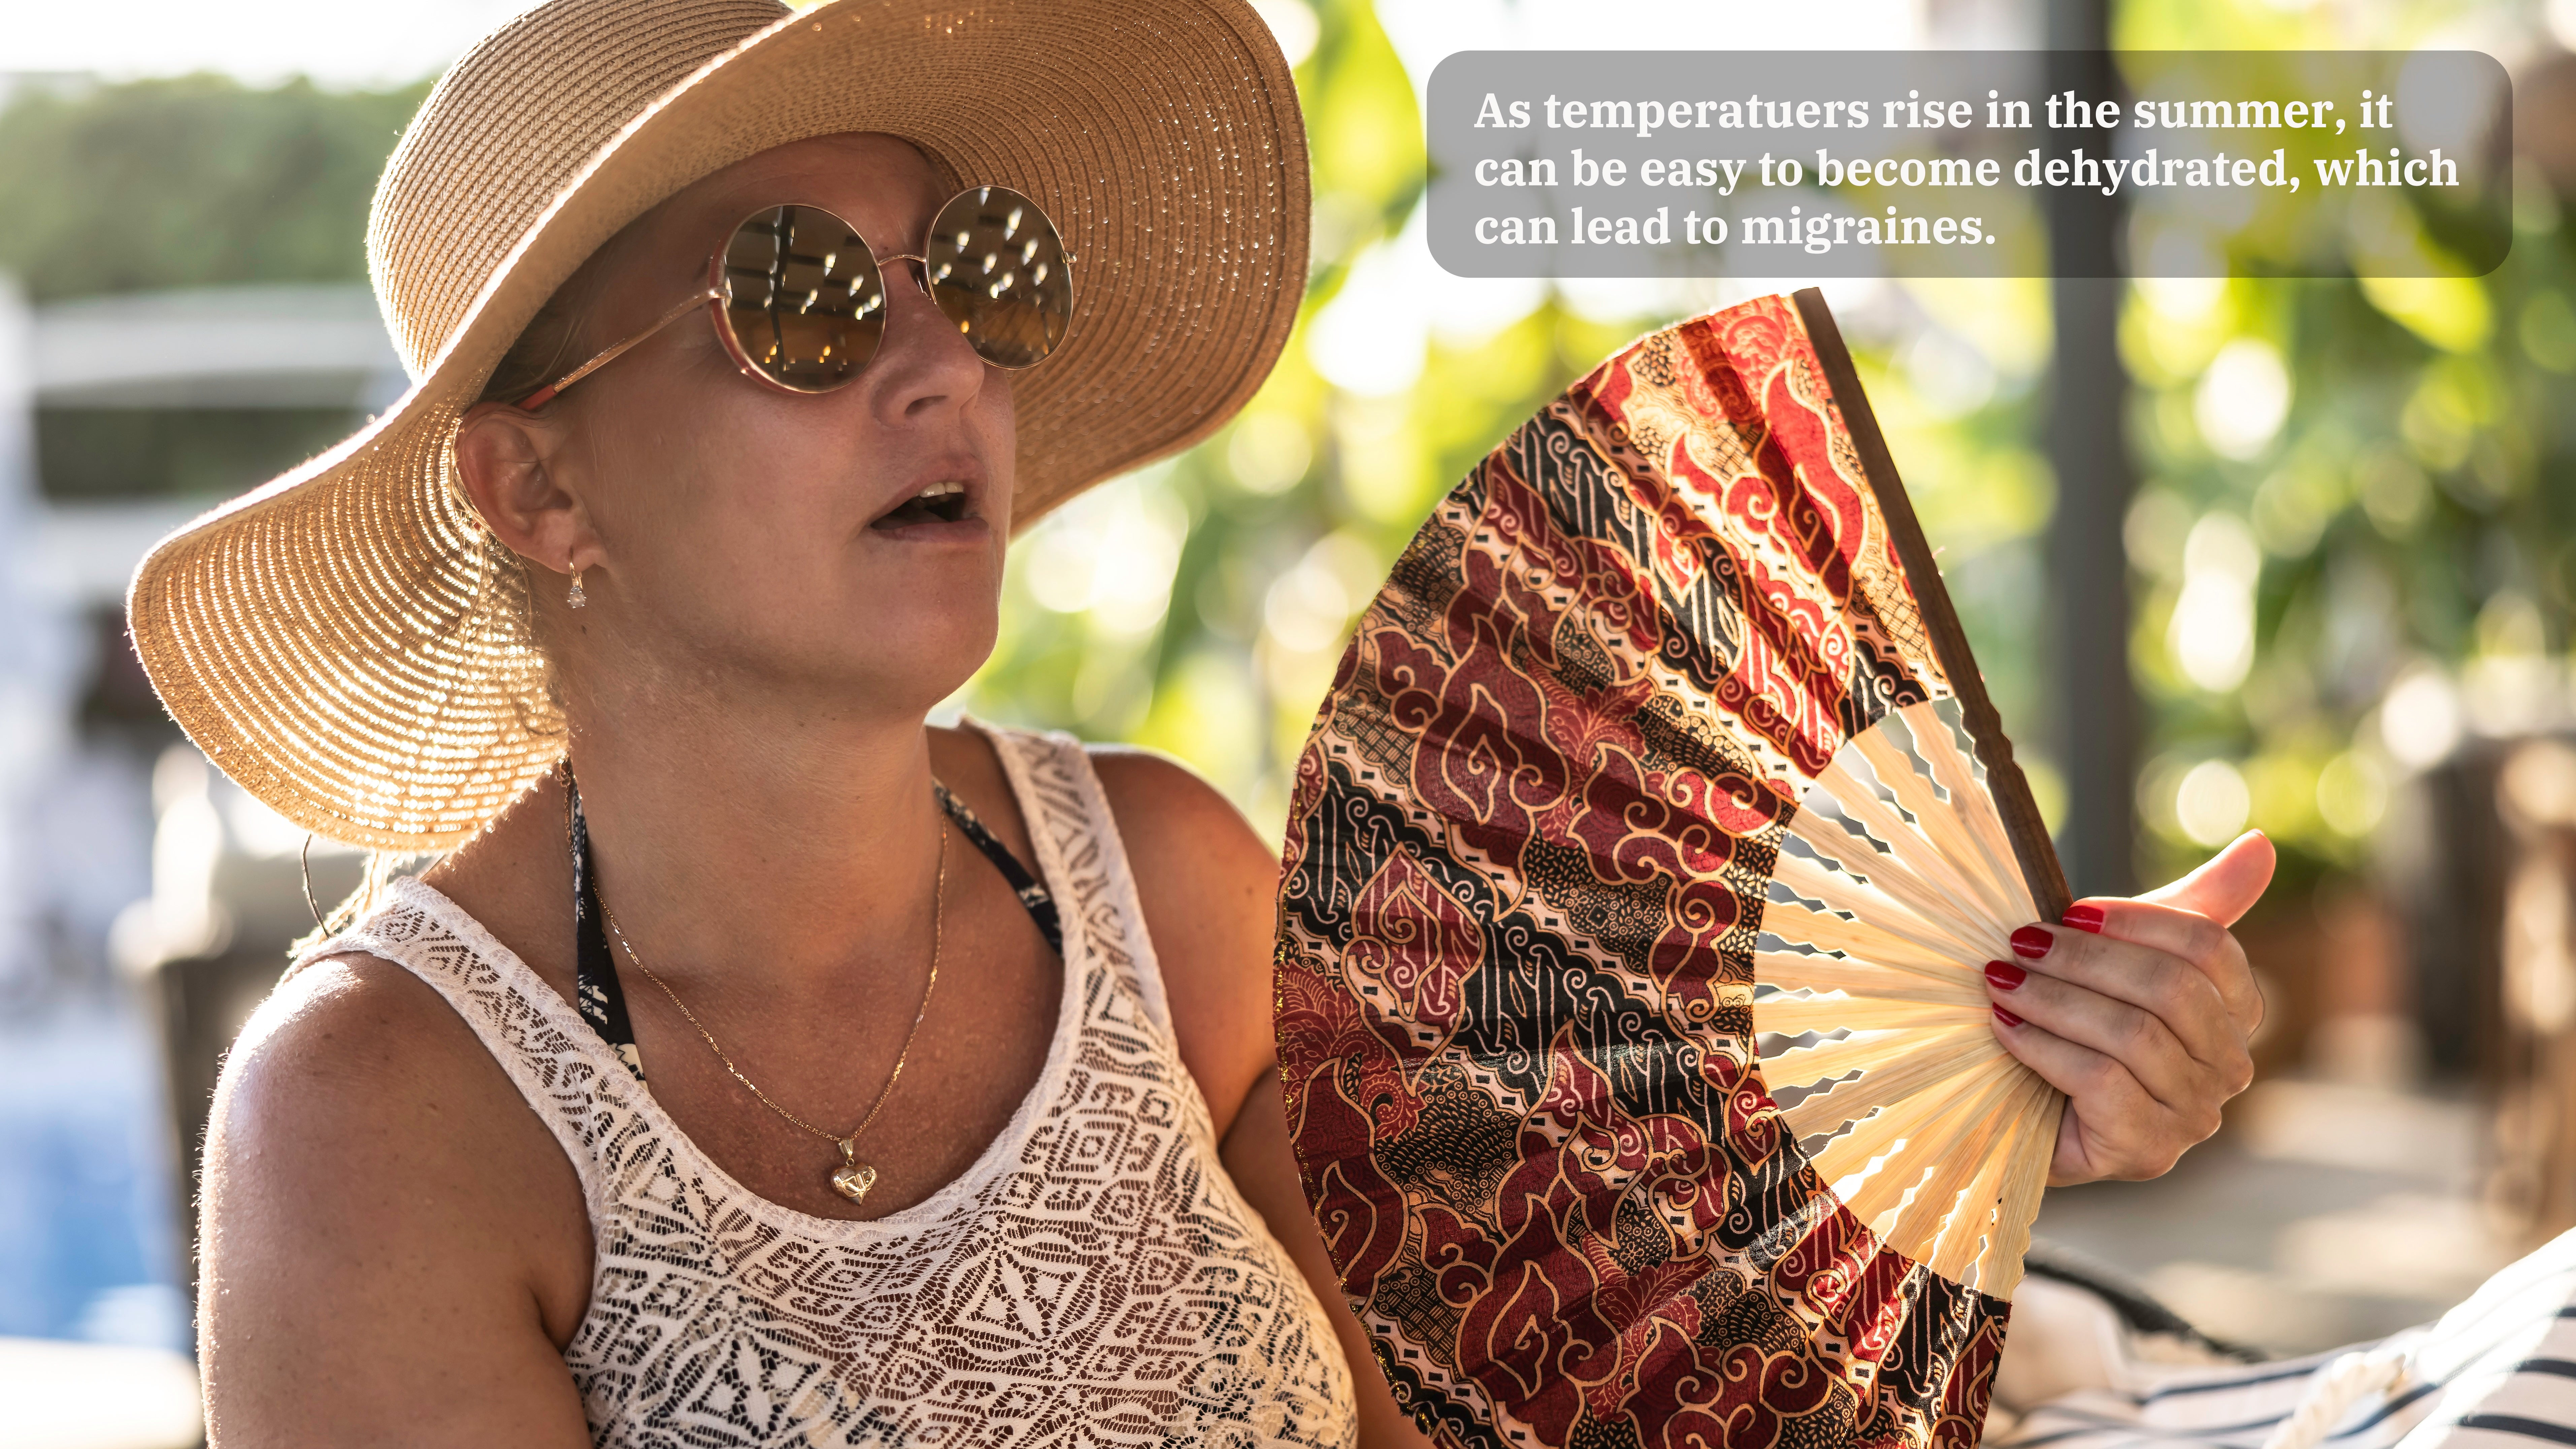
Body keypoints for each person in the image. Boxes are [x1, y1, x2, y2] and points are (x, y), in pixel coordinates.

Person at [129, 0, 2274, 1443]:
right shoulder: (382, 1119)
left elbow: (1496, 1389)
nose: (944, 366)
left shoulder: (1157, 890)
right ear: (539, 486)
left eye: (976, 271)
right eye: (791, 291)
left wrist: (1980, 1121)